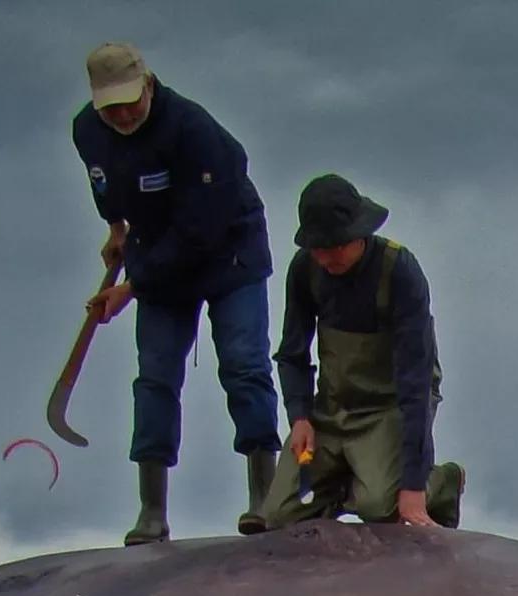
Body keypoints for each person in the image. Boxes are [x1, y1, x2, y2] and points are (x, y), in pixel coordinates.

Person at [72, 42, 281, 544]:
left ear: (148, 83)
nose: (121, 114)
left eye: (129, 101)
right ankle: (151, 511)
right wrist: (117, 229)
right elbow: (104, 184)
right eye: (110, 106)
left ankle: (265, 500)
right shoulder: (88, 130)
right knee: (156, 376)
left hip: (227, 250)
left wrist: (133, 287)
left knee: (243, 364)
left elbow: (199, 232)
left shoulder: (195, 132)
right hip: (154, 252)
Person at [262, 174, 464, 530]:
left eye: (335, 245)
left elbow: (415, 383)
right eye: (317, 247)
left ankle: (443, 482)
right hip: (332, 408)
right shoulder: (305, 270)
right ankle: (342, 482)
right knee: (277, 516)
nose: (326, 257)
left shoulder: (399, 271)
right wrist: (300, 417)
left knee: (384, 508)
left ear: (360, 233)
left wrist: (414, 484)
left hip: (389, 407)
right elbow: (292, 354)